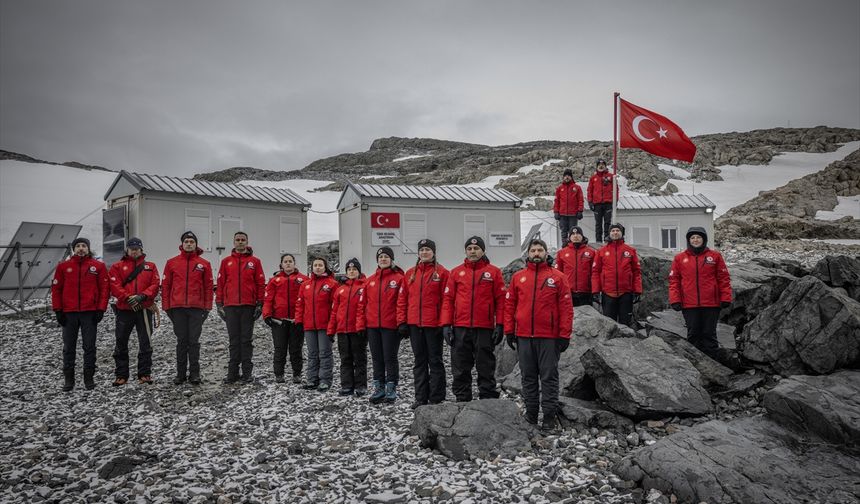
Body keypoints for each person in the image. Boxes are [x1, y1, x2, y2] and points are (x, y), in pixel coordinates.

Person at [504, 239, 573, 431]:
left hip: (549, 337)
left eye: (540, 250)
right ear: (528, 254)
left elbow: (566, 308)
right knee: (528, 376)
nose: (536, 253)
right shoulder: (519, 277)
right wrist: (509, 331)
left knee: (549, 376)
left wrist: (564, 335)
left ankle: (549, 416)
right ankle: (531, 414)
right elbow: (509, 306)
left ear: (545, 253)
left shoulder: (558, 277)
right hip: (524, 336)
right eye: (533, 250)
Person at [440, 236, 505, 402]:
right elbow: (448, 300)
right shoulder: (456, 272)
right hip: (460, 327)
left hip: (484, 327)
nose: (473, 251)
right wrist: (446, 324)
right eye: (469, 249)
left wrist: (501, 325)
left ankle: (488, 398)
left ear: (483, 250)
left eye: (476, 248)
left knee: (485, 365)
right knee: (460, 366)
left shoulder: (494, 272)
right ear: (466, 251)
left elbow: (501, 301)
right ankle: (462, 399)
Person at [397, 239, 450, 409]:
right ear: (418, 253)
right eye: (422, 250)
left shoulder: (442, 273)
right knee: (419, 361)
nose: (425, 252)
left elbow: (446, 301)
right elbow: (402, 299)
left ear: (433, 252)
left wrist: (444, 323)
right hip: (414, 324)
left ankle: (436, 396)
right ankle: (420, 397)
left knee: (435, 361)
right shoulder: (410, 274)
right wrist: (402, 322)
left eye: (428, 249)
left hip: (433, 324)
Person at [52, 237, 109, 391]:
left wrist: (101, 309)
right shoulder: (63, 267)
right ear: (73, 249)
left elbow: (104, 289)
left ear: (88, 248)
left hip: (89, 313)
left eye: (84, 246)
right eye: (78, 246)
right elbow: (56, 289)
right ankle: (69, 380)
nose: (81, 248)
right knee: (68, 347)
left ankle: (88, 378)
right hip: (68, 313)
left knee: (89, 346)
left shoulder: (98, 266)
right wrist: (58, 310)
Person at [668, 227, 733, 359]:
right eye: (692, 238)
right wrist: (675, 300)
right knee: (693, 334)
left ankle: (713, 366)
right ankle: (695, 365)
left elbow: (723, 278)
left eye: (698, 237)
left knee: (709, 334)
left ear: (704, 239)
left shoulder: (715, 256)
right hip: (689, 304)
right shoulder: (680, 258)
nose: (695, 240)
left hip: (711, 304)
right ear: (688, 240)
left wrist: (725, 297)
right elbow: (674, 280)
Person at [162, 231, 213, 385]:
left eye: (192, 241)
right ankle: (180, 374)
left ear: (196, 244)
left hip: (196, 308)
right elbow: (166, 286)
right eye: (186, 241)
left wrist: (208, 307)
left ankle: (195, 374)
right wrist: (166, 307)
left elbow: (208, 287)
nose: (189, 244)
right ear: (182, 244)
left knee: (194, 341)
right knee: (181, 341)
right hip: (177, 308)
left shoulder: (204, 264)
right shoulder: (172, 263)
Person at [108, 237, 160, 386]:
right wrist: (129, 298)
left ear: (141, 250)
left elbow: (155, 285)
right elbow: (114, 285)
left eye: (137, 248)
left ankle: (144, 373)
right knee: (121, 341)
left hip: (143, 309)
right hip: (125, 310)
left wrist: (142, 297)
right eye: (132, 248)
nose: (135, 250)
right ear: (127, 250)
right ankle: (121, 375)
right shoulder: (117, 267)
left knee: (145, 342)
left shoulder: (150, 266)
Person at [216, 231, 266, 384]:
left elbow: (260, 283)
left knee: (246, 340)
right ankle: (232, 373)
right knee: (233, 340)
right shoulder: (226, 262)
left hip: (248, 306)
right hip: (230, 306)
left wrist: (260, 303)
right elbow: (221, 283)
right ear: (234, 242)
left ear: (247, 242)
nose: (240, 242)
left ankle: (247, 374)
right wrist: (219, 303)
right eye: (237, 240)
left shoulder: (255, 262)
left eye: (243, 240)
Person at [357, 247, 405, 404]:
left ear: (391, 259)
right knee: (377, 358)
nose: (383, 259)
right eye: (381, 257)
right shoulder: (370, 281)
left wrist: (401, 323)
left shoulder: (398, 279)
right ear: (377, 260)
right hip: (372, 326)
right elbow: (362, 305)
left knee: (390, 358)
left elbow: (401, 303)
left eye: (386, 257)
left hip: (390, 326)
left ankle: (391, 387)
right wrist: (361, 326)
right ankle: (379, 387)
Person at [262, 253, 309, 384]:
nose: (288, 263)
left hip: (296, 320)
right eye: (285, 261)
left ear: (294, 263)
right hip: (279, 321)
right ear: (281, 264)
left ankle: (297, 374)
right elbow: (268, 299)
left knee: (296, 348)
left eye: (290, 261)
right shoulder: (274, 280)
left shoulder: (304, 280)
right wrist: (267, 315)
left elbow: (307, 300)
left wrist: (304, 317)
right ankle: (279, 374)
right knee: (280, 348)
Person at [295, 257, 339, 391]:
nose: (318, 267)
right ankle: (312, 379)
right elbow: (300, 304)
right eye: (315, 265)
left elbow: (335, 306)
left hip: (324, 325)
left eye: (320, 265)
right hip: (309, 325)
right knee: (312, 353)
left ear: (325, 267)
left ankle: (325, 379)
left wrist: (333, 324)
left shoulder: (332, 284)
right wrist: (298, 320)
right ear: (312, 267)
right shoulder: (305, 285)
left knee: (324, 353)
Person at [327, 257, 368, 396]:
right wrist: (331, 330)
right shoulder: (340, 290)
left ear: (359, 271)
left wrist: (362, 327)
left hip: (357, 330)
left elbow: (364, 309)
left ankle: (361, 385)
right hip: (342, 330)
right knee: (345, 359)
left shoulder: (364, 287)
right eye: (349, 269)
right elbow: (334, 311)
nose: (351, 272)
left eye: (354, 269)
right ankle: (347, 385)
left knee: (359, 359)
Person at [591, 224, 642, 327]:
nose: (615, 232)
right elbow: (596, 271)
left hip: (626, 293)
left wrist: (637, 290)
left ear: (622, 233)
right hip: (608, 293)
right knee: (609, 325)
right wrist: (595, 290)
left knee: (626, 323)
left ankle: (626, 342)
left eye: (617, 230)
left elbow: (636, 272)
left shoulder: (630, 251)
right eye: (613, 230)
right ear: (609, 233)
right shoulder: (601, 251)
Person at [555, 227, 597, 307]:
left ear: (582, 236)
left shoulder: (591, 252)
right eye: (573, 234)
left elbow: (595, 273)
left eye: (578, 234)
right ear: (569, 237)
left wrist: (595, 290)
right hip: (568, 292)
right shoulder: (562, 253)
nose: (575, 236)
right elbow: (558, 274)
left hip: (585, 292)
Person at [587, 159, 617, 243]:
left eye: (603, 164)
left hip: (608, 203)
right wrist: (590, 202)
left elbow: (616, 189)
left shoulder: (611, 176)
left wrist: (615, 201)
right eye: (599, 165)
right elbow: (590, 190)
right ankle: (598, 242)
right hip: (597, 204)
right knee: (598, 224)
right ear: (596, 167)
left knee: (607, 222)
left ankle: (607, 240)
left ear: (605, 166)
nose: (601, 166)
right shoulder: (593, 178)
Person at [553, 169, 584, 247]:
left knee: (573, 231)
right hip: (562, 214)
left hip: (573, 214)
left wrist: (580, 210)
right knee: (563, 231)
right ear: (563, 177)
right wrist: (556, 212)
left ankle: (572, 246)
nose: (567, 177)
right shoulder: (560, 188)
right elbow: (556, 201)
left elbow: (580, 199)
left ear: (571, 177)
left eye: (568, 176)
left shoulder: (577, 188)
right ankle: (564, 246)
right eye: (565, 176)